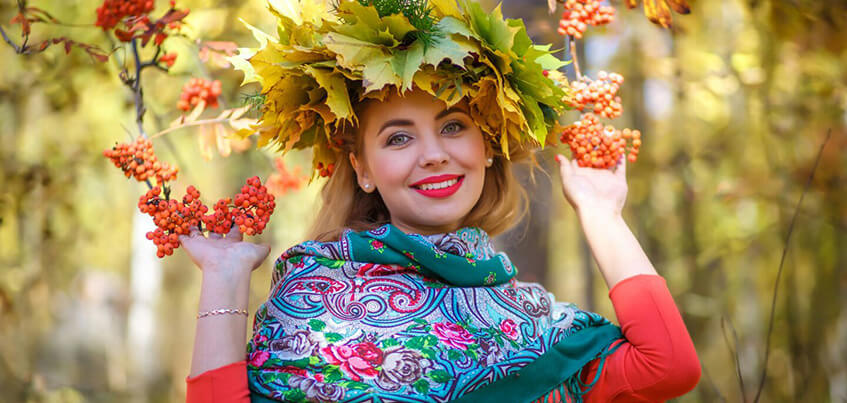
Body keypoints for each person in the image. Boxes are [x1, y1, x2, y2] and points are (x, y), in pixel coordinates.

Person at [181, 0, 701, 401]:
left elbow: (669, 367)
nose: (433, 155)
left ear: (487, 148)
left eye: (453, 126)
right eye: (398, 138)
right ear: (362, 169)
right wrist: (224, 277)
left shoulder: (536, 326)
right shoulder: (308, 299)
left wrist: (601, 214)